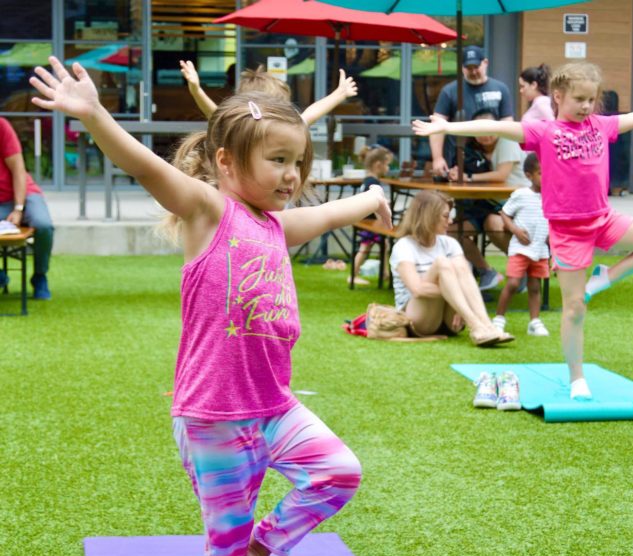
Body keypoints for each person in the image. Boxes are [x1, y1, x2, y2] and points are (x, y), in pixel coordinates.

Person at [31, 56, 392, 556]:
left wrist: (373, 196)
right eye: (277, 161)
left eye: (297, 162)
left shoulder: (280, 227)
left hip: (274, 407)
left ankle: (265, 541)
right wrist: (93, 115)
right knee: (221, 546)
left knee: (339, 472)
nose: (292, 175)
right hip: (213, 419)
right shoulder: (207, 211)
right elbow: (141, 165)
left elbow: (333, 214)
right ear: (226, 162)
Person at [413, 62, 633, 399]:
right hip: (568, 232)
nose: (585, 106)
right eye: (578, 99)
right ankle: (577, 378)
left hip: (603, 219)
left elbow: (630, 120)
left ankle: (605, 277)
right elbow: (494, 127)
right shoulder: (544, 131)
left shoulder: (601, 125)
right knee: (574, 309)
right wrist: (448, 127)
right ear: (558, 96)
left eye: (591, 99)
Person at [389, 189, 514, 347]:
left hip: (449, 322)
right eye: (446, 216)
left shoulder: (449, 243)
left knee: (458, 265)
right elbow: (418, 290)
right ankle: (475, 326)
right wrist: (455, 294)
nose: (450, 221)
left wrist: (455, 296)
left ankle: (487, 326)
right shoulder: (404, 246)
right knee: (442, 263)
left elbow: (465, 277)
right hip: (418, 321)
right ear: (429, 216)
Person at [447, 108, 529, 290]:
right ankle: (486, 272)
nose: (485, 137)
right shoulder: (473, 150)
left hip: (516, 206)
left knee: (492, 224)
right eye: (479, 133)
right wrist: (456, 172)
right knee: (452, 232)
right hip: (488, 204)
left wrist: (467, 177)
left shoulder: (508, 141)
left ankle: (523, 268)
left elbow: (501, 175)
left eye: (488, 131)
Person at [179, 61, 358, 126]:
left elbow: (310, 113)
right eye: (281, 104)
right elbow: (215, 114)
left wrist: (339, 94)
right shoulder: (240, 128)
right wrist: (196, 90)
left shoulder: (283, 128)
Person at [429, 45, 514, 179]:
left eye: (476, 67)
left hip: (492, 162)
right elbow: (437, 125)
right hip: (457, 160)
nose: (473, 71)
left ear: (485, 63)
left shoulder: (501, 89)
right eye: (469, 68)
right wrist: (438, 158)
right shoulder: (449, 91)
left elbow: (508, 124)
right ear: (462, 68)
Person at [492, 152, 550, 337]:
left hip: (540, 249)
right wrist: (515, 231)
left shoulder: (552, 197)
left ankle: (534, 322)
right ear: (528, 175)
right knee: (513, 283)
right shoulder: (521, 195)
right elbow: (505, 213)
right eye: (541, 173)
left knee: (535, 286)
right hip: (520, 248)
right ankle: (499, 320)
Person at [0, 117, 54, 299]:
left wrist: (18, 208)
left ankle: (40, 276)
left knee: (43, 224)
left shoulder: (2, 126)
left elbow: (18, 170)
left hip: (22, 193)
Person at [348, 143, 393, 286]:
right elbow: (375, 204)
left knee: (382, 245)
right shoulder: (373, 182)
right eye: (387, 165)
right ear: (378, 165)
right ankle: (353, 275)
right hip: (370, 223)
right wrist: (383, 220)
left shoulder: (368, 180)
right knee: (365, 248)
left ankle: (385, 272)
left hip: (367, 221)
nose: (388, 168)